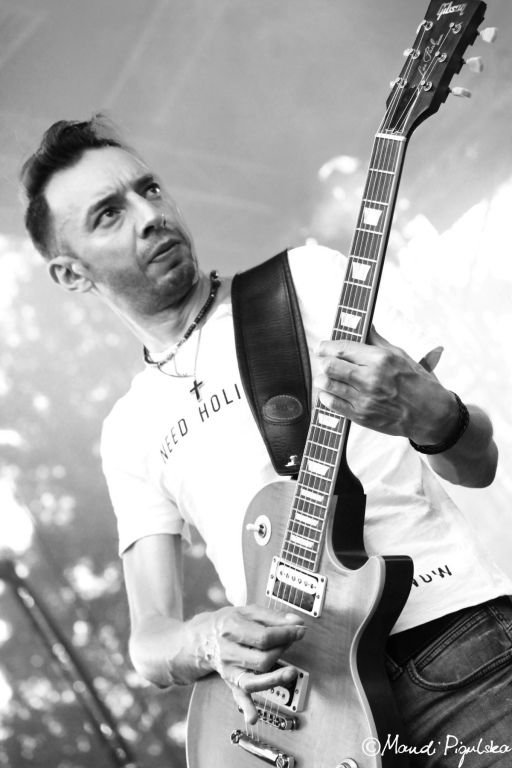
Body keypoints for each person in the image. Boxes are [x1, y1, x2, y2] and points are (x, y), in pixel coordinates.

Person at [21, 116, 512, 765]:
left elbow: (476, 465)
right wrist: (209, 636)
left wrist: (435, 418)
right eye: (109, 214)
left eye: (150, 189)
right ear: (70, 273)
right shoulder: (129, 429)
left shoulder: (305, 281)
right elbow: (150, 640)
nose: (149, 216)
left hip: (452, 651)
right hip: (307, 716)